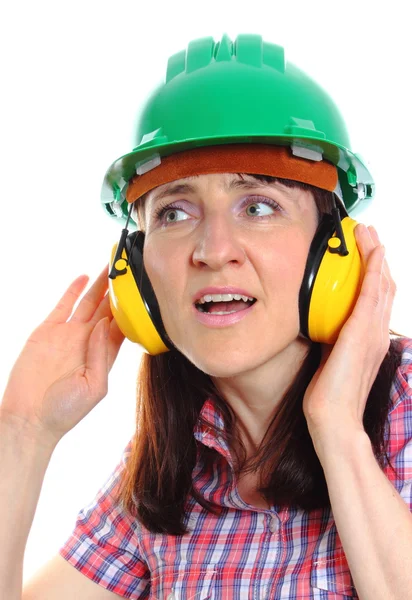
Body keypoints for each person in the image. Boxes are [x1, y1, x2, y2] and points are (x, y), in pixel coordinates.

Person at [1, 33, 411, 600]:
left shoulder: (406, 403)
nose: (214, 250)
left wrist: (337, 427)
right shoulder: (167, 466)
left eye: (259, 206)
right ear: (137, 278)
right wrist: (21, 434)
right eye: (174, 212)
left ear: (332, 253)